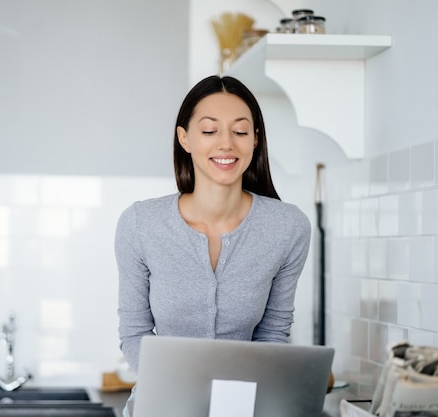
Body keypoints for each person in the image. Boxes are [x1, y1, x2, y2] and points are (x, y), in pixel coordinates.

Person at [114, 75, 311, 416]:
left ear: (255, 140)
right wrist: (181, 396)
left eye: (240, 131)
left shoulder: (288, 227)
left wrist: (232, 404)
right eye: (209, 131)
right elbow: (135, 333)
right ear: (185, 138)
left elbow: (273, 333)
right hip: (159, 408)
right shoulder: (140, 224)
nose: (226, 144)